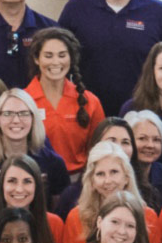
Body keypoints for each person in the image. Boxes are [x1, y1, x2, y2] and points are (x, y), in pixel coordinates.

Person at [0, 89, 69, 222]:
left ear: (33, 118)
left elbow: (57, 221)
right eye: (8, 114)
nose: (16, 120)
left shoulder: (53, 163)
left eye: (23, 113)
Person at [24, 27, 105, 174]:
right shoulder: (22, 101)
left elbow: (100, 150)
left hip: (79, 182)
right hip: (34, 181)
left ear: (71, 58)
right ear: (36, 59)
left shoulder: (90, 102)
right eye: (48, 56)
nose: (56, 62)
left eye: (62, 55)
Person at [62, 141, 162, 243]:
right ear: (92, 182)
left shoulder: (148, 216)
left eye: (114, 172)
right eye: (100, 174)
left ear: (126, 177)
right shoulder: (76, 216)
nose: (108, 181)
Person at [53, 117, 154, 220]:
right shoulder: (71, 197)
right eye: (111, 141)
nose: (119, 147)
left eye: (125, 142)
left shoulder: (148, 194)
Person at [124, 109, 162, 208]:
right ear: (128, 141)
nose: (150, 145)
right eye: (142, 138)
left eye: (156, 140)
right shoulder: (118, 175)